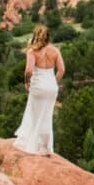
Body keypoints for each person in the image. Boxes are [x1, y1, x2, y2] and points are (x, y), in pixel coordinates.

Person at [14, 24, 65, 155]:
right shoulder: (55, 50)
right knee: (47, 116)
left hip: (38, 86)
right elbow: (62, 70)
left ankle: (33, 145)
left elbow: (29, 70)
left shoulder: (32, 52)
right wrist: (53, 82)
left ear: (35, 36)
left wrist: (26, 82)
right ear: (48, 36)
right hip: (51, 87)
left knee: (35, 114)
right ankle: (46, 147)